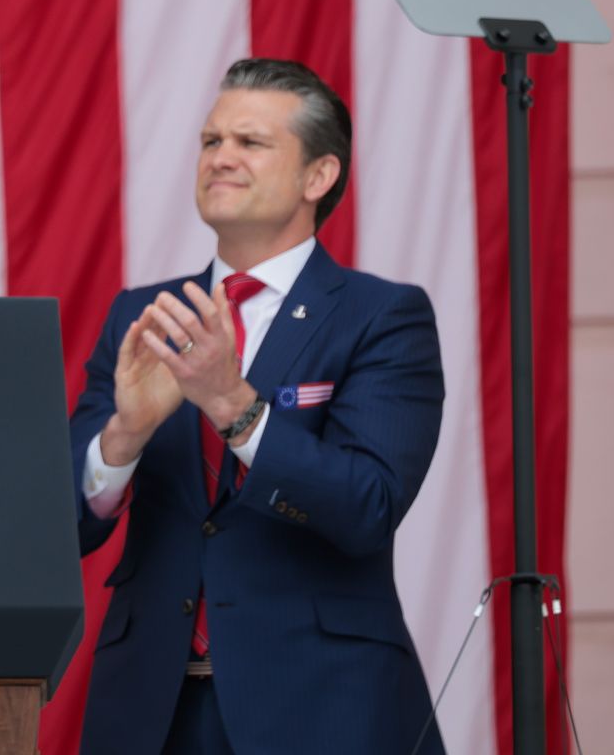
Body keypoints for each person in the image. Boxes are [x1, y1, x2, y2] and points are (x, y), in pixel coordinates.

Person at [69, 58, 446, 754]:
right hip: (153, 709)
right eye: (212, 141)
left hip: (324, 706)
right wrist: (124, 436)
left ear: (318, 177)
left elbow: (368, 506)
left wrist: (232, 404)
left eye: (251, 142)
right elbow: (56, 530)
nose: (222, 158)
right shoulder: (142, 315)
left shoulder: (381, 317)